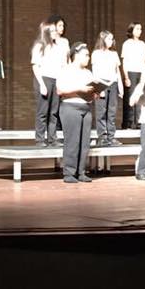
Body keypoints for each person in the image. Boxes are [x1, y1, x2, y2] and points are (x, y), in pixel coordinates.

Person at [56, 43, 97, 184]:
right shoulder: (66, 70)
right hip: (70, 107)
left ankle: (81, 172)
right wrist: (80, 88)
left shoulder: (88, 73)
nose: (88, 58)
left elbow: (90, 92)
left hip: (86, 107)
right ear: (77, 55)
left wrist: (94, 93)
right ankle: (69, 173)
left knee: (84, 143)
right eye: (86, 55)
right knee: (72, 141)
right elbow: (60, 90)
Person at [31, 22, 67, 146]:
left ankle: (52, 138)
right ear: (46, 32)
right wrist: (42, 84)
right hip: (44, 79)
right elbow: (35, 66)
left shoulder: (58, 47)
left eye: (54, 31)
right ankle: (40, 139)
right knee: (43, 111)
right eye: (51, 31)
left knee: (53, 111)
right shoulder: (40, 46)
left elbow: (62, 66)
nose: (55, 33)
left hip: (56, 80)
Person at [91, 30, 123, 147]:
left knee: (112, 112)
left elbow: (117, 71)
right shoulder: (96, 54)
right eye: (109, 39)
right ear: (103, 39)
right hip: (101, 83)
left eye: (112, 39)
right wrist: (100, 88)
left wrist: (120, 85)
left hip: (113, 83)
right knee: (101, 111)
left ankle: (111, 136)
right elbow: (95, 72)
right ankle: (102, 137)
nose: (111, 41)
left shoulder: (114, 54)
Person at [120, 22, 145, 129]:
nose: (139, 31)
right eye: (137, 29)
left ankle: (139, 121)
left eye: (140, 29)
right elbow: (125, 61)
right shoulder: (127, 43)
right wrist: (126, 76)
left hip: (141, 72)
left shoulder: (142, 44)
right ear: (131, 30)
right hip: (131, 72)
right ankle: (129, 122)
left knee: (140, 95)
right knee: (131, 96)